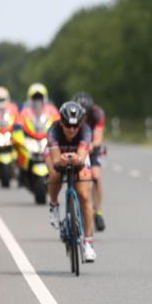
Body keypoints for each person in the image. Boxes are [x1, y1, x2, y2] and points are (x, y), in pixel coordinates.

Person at [46, 101, 97, 262]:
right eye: (68, 125)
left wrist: (78, 159)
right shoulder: (53, 131)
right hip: (58, 156)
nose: (72, 130)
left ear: (81, 124)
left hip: (78, 157)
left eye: (76, 126)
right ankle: (54, 204)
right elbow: (55, 161)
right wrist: (61, 161)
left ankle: (88, 243)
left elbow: (82, 157)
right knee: (55, 174)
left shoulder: (86, 131)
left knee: (84, 195)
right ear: (61, 122)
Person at [72, 91, 108, 232]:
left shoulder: (98, 114)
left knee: (96, 176)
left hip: (91, 147)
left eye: (86, 113)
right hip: (75, 146)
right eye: (82, 114)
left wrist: (90, 146)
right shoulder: (70, 112)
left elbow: (98, 138)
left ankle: (98, 211)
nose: (84, 117)